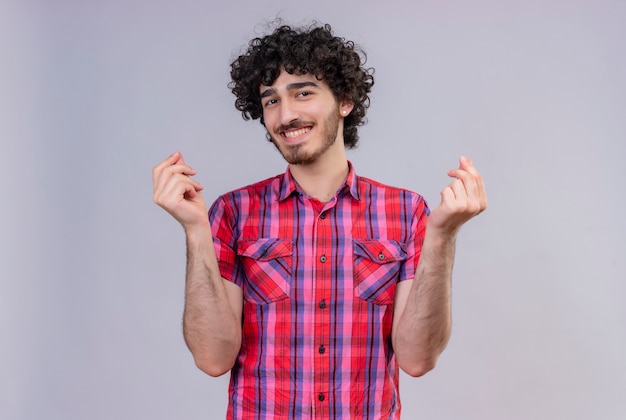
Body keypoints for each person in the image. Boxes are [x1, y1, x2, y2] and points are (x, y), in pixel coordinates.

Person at [152, 22, 487, 419]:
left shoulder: (406, 211)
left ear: (344, 100)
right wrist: (195, 231)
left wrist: (443, 236)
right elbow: (212, 358)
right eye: (271, 100)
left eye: (303, 93)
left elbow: (417, 359)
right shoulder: (233, 213)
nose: (286, 115)